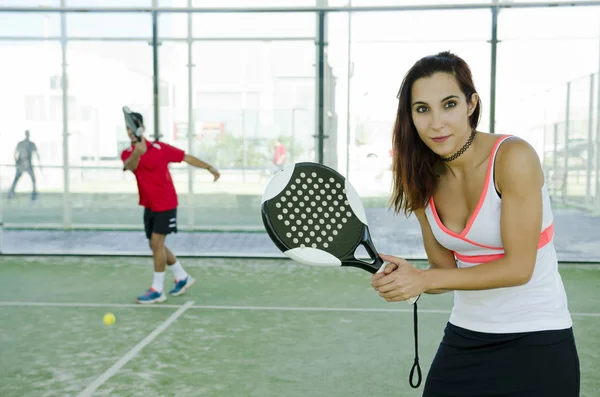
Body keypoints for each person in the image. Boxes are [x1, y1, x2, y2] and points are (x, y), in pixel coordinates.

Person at [370, 52, 579, 396]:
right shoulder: (420, 178)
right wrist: (411, 279)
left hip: (538, 337)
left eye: (448, 104)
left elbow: (518, 268)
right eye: (422, 109)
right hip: (466, 336)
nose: (436, 123)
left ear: (471, 104)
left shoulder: (513, 157)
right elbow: (443, 272)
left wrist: (425, 279)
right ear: (410, 116)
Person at [121, 111, 221, 304]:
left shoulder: (160, 148)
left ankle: (157, 290)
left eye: (133, 128)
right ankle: (182, 276)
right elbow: (130, 166)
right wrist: (138, 152)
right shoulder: (127, 153)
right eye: (127, 129)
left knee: (157, 244)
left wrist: (210, 167)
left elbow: (187, 158)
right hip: (149, 205)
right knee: (154, 244)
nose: (130, 132)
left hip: (166, 204)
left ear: (141, 128)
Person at [8, 130, 40, 200]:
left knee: (32, 179)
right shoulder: (22, 144)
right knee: (17, 178)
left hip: (27, 164)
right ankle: (11, 192)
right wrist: (16, 162)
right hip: (22, 164)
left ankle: (34, 194)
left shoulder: (31, 144)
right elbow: (15, 153)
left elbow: (36, 153)